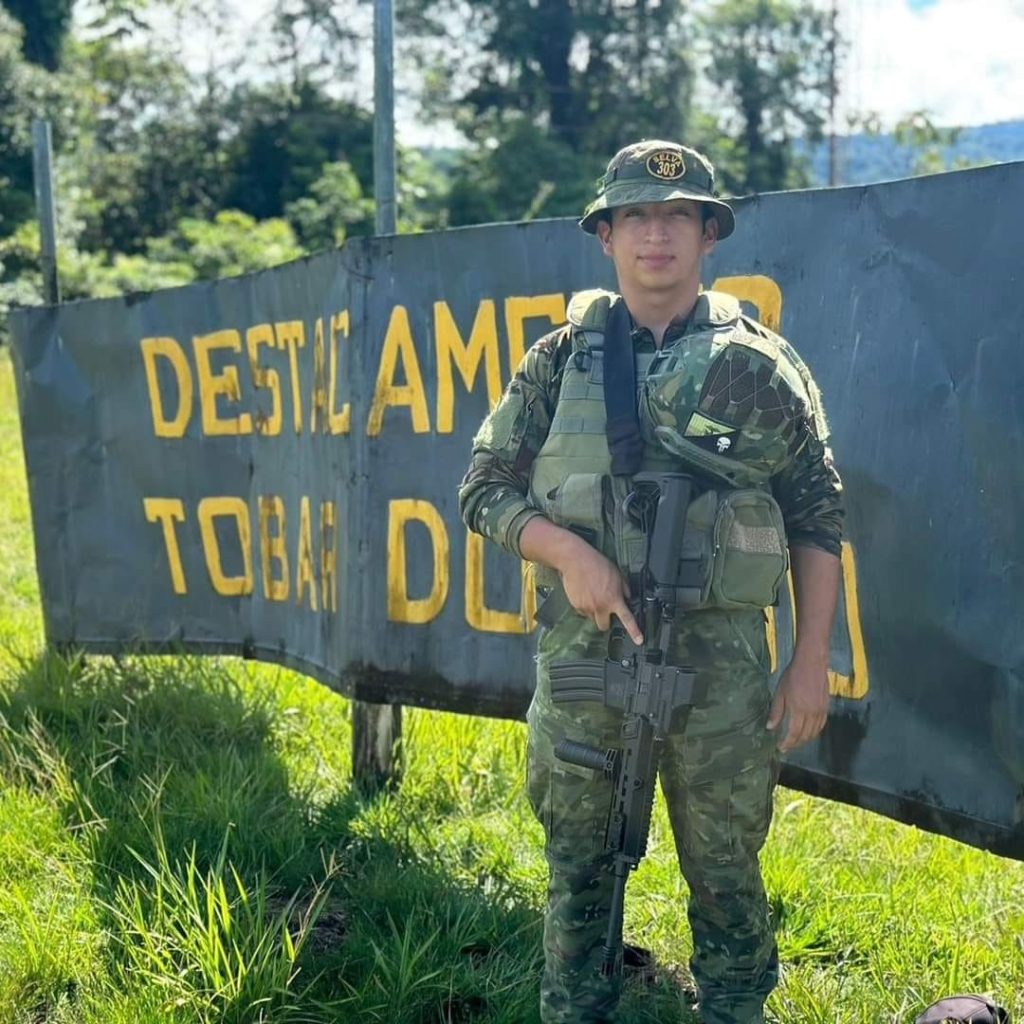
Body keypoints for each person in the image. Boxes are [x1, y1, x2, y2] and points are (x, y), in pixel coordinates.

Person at [458, 139, 844, 1024]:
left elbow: (818, 516)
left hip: (720, 678)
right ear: (607, 236)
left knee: (726, 875)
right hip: (587, 666)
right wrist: (568, 554)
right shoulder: (560, 360)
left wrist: (809, 658)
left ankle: (735, 1010)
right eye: (636, 216)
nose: (656, 235)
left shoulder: (762, 366)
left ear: (710, 235)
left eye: (677, 216)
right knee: (579, 879)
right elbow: (483, 488)